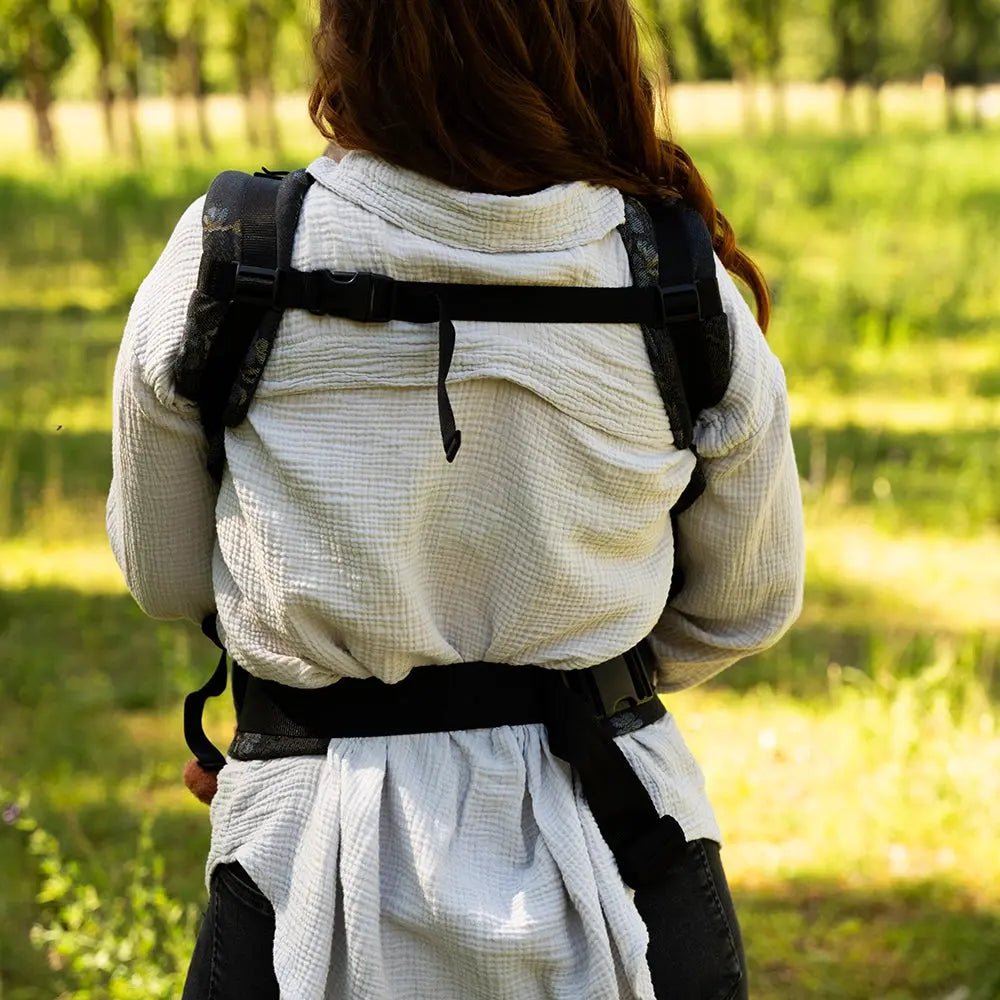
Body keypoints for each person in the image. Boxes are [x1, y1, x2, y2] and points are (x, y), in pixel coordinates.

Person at [107, 1, 804, 997]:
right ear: (591, 39)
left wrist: (319, 670)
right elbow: (750, 598)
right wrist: (558, 673)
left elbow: (165, 573)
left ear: (352, 39)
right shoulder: (673, 275)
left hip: (305, 842)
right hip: (620, 848)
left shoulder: (236, 252)